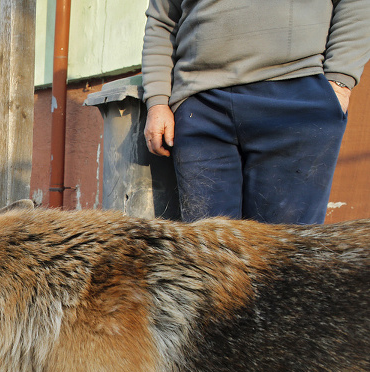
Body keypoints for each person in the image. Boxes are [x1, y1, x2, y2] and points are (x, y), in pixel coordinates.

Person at [141, 0, 370, 223]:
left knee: (285, 251)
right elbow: (162, 20)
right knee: (208, 253)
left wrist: (339, 82)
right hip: (200, 105)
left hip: (296, 95)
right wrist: (158, 101)